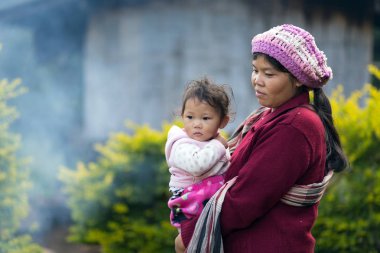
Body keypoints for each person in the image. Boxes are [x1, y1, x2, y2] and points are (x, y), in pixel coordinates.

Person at [183, 24, 349, 252]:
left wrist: (190, 235)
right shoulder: (269, 116)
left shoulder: (295, 125)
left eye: (268, 74)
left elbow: (246, 200)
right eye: (255, 70)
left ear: (298, 78)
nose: (257, 80)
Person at [165, 77, 234, 253]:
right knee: (192, 244)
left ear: (222, 122)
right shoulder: (180, 145)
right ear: (182, 116)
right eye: (189, 117)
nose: (196, 124)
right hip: (187, 201)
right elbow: (197, 165)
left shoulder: (212, 143)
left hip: (203, 199)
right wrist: (219, 144)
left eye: (205, 118)